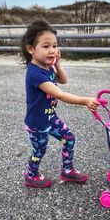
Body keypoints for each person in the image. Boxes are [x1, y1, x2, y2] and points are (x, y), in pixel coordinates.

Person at [21, 20, 100, 188]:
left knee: (69, 139)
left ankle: (67, 170)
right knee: (39, 151)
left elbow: (63, 80)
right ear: (30, 49)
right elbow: (60, 94)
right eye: (46, 46)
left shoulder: (47, 67)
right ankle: (31, 175)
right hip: (37, 123)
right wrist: (85, 100)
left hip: (51, 118)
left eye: (55, 46)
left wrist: (57, 65)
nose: (52, 50)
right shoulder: (35, 73)